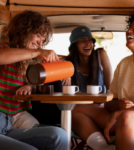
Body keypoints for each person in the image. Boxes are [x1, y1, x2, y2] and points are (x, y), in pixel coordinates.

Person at [0, 10, 67, 150]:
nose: (40, 42)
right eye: (38, 35)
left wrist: (29, 86)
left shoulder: (30, 60)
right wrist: (37, 52)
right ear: (23, 30)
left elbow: (39, 78)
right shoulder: (4, 48)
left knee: (59, 135)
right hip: (2, 116)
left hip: (14, 117)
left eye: (42, 39)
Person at [103, 11, 134, 150]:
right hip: (126, 117)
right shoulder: (123, 64)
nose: (129, 30)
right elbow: (109, 103)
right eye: (129, 27)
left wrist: (120, 113)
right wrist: (119, 105)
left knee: (127, 118)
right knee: (78, 110)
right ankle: (100, 144)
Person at [63, 26, 114, 150]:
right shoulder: (67, 63)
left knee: (71, 109)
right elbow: (49, 58)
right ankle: (103, 147)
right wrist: (63, 65)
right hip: (79, 112)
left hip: (99, 109)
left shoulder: (100, 54)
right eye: (82, 41)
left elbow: (111, 88)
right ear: (74, 45)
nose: (88, 43)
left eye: (90, 40)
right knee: (70, 111)